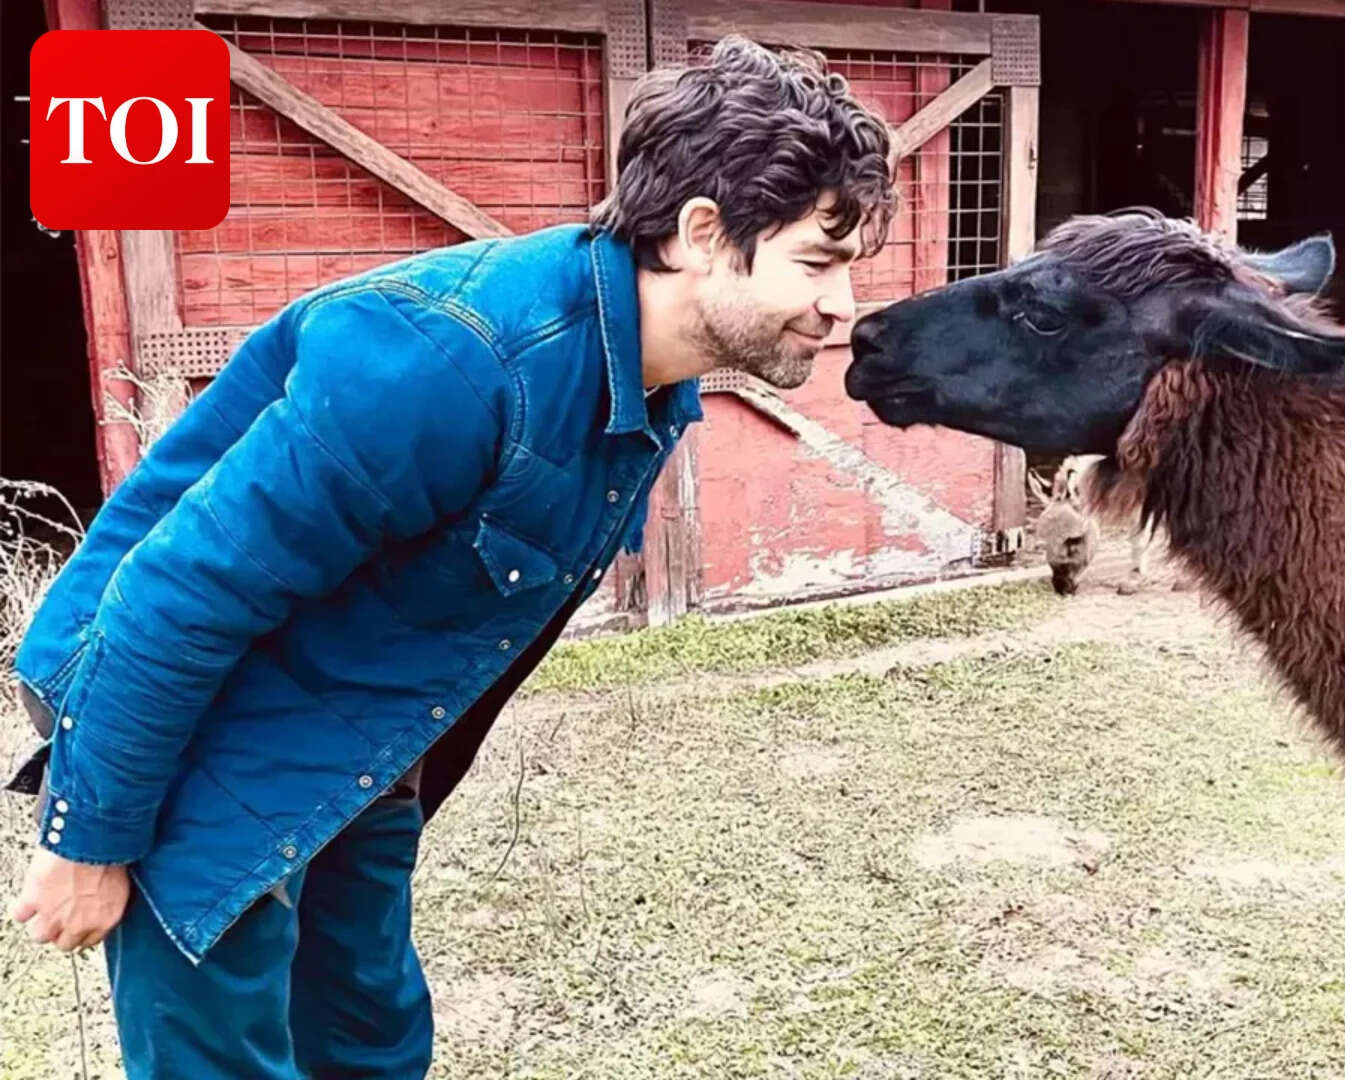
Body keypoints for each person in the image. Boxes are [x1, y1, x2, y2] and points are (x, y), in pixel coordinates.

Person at [5, 35, 895, 1078]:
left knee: (371, 1043)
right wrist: (91, 838)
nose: (842, 306)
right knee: (224, 1057)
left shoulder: (647, 391)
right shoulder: (456, 364)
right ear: (702, 233)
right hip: (185, 725)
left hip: (364, 728)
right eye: (819, 263)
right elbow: (173, 598)